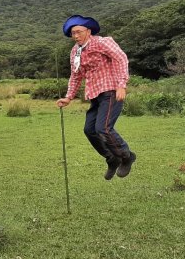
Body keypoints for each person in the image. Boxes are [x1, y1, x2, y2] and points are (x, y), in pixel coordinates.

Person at [56, 15, 136, 180]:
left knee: (104, 128)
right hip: (95, 95)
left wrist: (121, 85)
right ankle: (111, 158)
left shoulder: (102, 42)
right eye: (73, 33)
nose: (76, 36)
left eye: (78, 32)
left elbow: (121, 58)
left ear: (88, 31)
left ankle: (126, 156)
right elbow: (76, 75)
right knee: (89, 130)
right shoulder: (75, 52)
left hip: (111, 91)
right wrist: (69, 97)